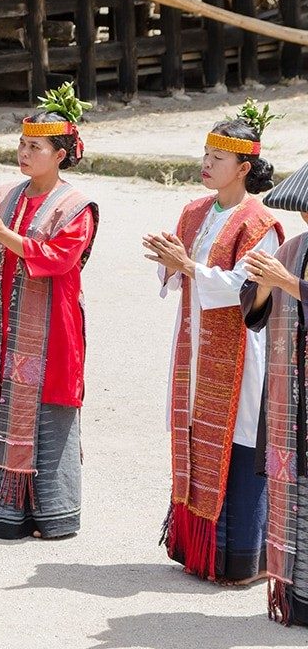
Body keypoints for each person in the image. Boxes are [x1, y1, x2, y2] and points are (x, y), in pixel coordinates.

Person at [0, 82, 98, 540]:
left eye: (35, 147)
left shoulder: (77, 206)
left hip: (52, 326)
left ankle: (52, 514)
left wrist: (2, 235)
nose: (24, 153)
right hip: (0, 320)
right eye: (21, 144)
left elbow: (58, 259)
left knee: (48, 413)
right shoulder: (2, 194)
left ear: (61, 154)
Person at [145, 103, 281, 583]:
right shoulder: (194, 210)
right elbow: (180, 276)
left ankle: (241, 558)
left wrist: (188, 267)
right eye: (204, 153)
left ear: (243, 168)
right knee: (192, 436)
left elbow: (245, 287)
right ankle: (194, 550)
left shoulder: (258, 222)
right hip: (194, 346)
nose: (206, 163)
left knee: (240, 444)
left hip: (239, 352)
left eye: (217, 158)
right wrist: (168, 261)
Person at [241, 158, 308, 626]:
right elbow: (254, 310)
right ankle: (298, 597)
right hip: (294, 395)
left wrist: (288, 283)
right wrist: (265, 287)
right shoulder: (294, 248)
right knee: (297, 485)